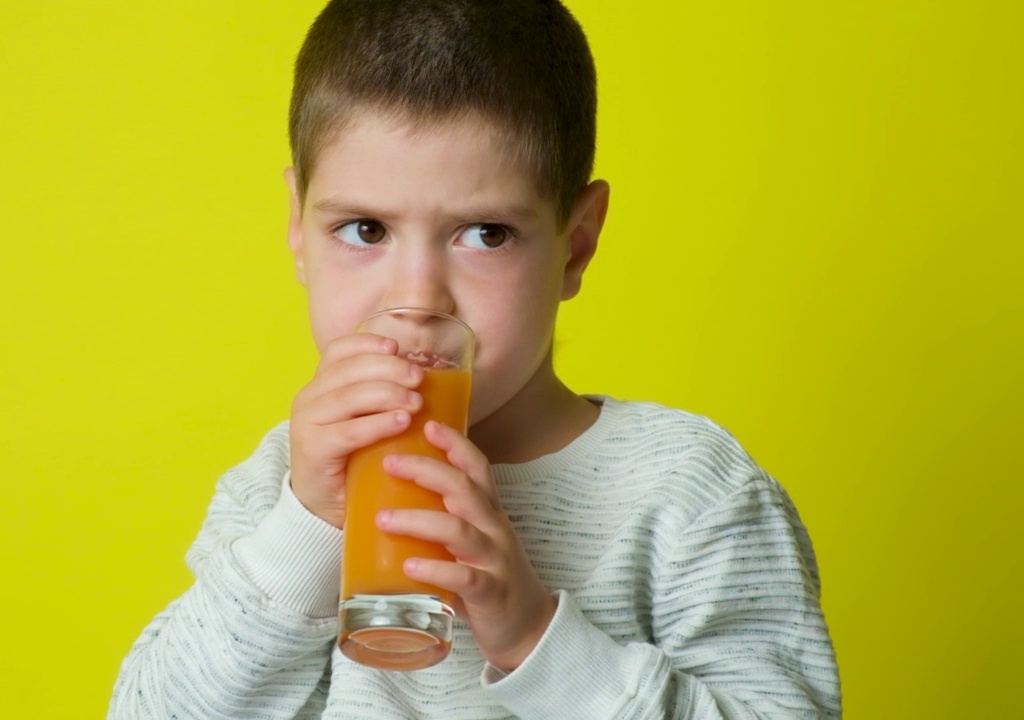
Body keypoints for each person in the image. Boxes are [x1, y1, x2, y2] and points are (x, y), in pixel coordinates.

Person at [108, 0, 841, 717]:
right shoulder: (284, 485)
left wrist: (535, 639)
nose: (419, 297)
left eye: (486, 234)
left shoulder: (689, 494)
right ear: (299, 230)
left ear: (575, 245)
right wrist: (306, 531)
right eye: (364, 229)